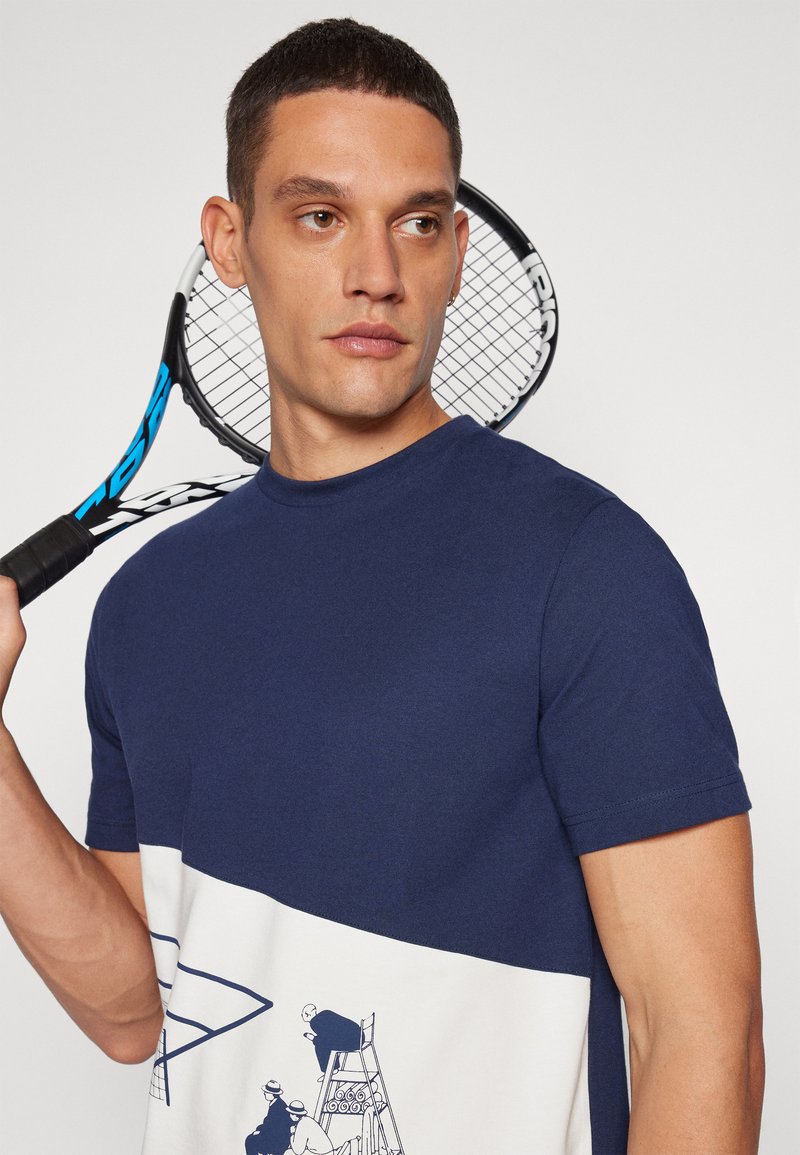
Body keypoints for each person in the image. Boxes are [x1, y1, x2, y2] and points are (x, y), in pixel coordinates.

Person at [0, 16, 764, 1155]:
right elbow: (136, 1014)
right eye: (320, 216)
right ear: (229, 241)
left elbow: (700, 1033)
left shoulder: (587, 568)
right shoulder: (147, 606)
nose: (377, 276)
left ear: (456, 250)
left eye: (417, 222)